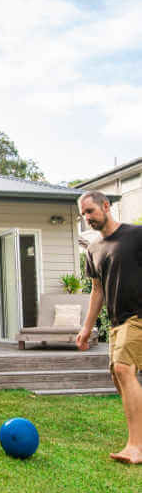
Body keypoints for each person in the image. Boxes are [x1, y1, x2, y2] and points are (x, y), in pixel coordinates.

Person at [76, 191, 142, 465]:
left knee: (124, 369)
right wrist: (86, 328)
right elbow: (97, 291)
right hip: (116, 322)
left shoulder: (136, 236)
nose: (87, 218)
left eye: (91, 211)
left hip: (138, 316)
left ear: (106, 206)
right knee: (119, 378)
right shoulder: (93, 249)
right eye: (84, 215)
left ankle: (135, 447)